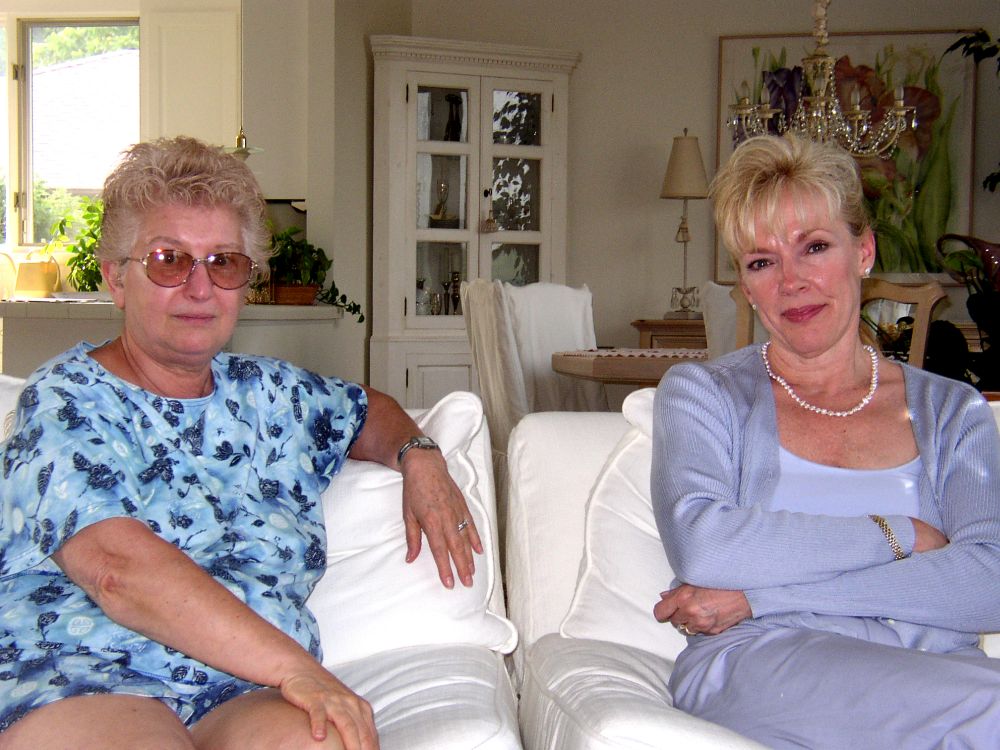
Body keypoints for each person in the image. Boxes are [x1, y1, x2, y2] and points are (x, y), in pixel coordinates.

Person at [0, 136, 484, 750]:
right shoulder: (65, 398)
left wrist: (420, 457)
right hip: (86, 678)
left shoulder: (271, 394)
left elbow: (369, 412)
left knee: (327, 742)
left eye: (224, 262)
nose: (200, 287)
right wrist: (299, 670)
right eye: (169, 259)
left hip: (242, 690)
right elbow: (117, 570)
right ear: (117, 278)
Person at [650, 133, 1000, 748]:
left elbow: (989, 582)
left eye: (814, 247)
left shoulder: (951, 410)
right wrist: (900, 534)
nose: (792, 281)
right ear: (745, 285)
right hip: (761, 665)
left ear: (863, 251)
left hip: (932, 666)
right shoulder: (703, 394)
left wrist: (759, 595)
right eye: (762, 262)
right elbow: (704, 545)